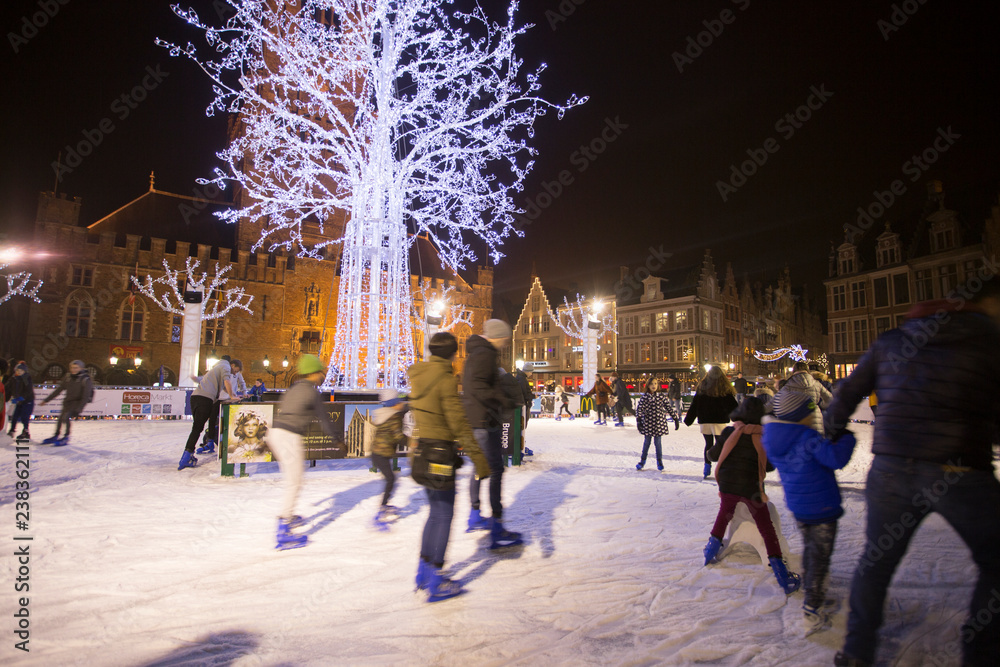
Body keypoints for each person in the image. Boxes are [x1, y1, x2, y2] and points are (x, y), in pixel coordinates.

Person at [824, 282, 1000, 667]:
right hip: (960, 469)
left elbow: (846, 392)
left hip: (892, 467)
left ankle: (856, 652)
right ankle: (980, 652)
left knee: (876, 561)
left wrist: (835, 430)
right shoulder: (987, 339)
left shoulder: (891, 340)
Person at [763, 388, 857, 636]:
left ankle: (813, 595)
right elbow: (835, 458)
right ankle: (812, 608)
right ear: (799, 415)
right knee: (820, 558)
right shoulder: (807, 437)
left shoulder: (774, 438)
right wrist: (846, 437)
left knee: (811, 551)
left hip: (800, 508)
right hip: (822, 507)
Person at [410, 332, 491, 602]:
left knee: (434, 513)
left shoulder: (418, 376)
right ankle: (436, 577)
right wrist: (480, 461)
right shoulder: (445, 381)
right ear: (453, 354)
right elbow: (459, 424)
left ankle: (422, 571)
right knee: (445, 514)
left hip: (423, 451)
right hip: (440, 455)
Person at [704, 397, 800, 595]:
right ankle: (781, 571)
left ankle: (709, 552)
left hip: (729, 485)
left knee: (724, 516)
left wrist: (712, 452)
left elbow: (713, 455)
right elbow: (770, 466)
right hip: (752, 488)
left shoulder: (730, 432)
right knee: (766, 525)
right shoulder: (763, 436)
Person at [266, 354, 339, 550]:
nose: (322, 376)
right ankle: (283, 530)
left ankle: (288, 516)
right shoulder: (312, 392)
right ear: (314, 373)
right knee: (294, 482)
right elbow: (324, 419)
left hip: (276, 433)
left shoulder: (294, 388)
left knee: (293, 479)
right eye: (321, 372)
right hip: (289, 436)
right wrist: (338, 440)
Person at [462, 319, 523, 548]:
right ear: (497, 337)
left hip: (477, 419)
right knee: (496, 470)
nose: (506, 343)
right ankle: (496, 527)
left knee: (481, 468)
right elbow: (479, 387)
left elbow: (477, 385)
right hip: (484, 421)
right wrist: (502, 399)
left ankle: (475, 514)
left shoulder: (477, 353)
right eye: (505, 339)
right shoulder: (485, 354)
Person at [179, 357, 241, 469]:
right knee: (198, 428)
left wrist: (234, 395)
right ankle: (186, 457)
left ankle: (187, 454)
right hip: (205, 399)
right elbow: (226, 381)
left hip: (195, 397)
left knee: (197, 428)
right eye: (235, 370)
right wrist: (232, 396)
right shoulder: (226, 367)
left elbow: (219, 385)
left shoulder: (216, 368)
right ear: (232, 365)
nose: (234, 373)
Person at [684, 365, 738, 478]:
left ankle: (707, 467)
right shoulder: (724, 389)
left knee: (708, 444)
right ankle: (722, 467)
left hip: (705, 420)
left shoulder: (702, 387)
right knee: (721, 444)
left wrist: (689, 419)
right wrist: (739, 418)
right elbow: (733, 406)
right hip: (719, 421)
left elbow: (695, 404)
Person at [371, 388, 408, 530]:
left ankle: (384, 505)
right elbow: (399, 436)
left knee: (391, 479)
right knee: (391, 479)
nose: (402, 403)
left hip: (378, 453)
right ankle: (382, 510)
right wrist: (413, 444)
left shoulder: (386, 414)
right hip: (381, 454)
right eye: (399, 401)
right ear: (394, 403)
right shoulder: (393, 417)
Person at [39, 360, 94, 446]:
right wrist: (47, 400)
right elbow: (59, 390)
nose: (74, 369)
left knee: (66, 417)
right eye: (72, 367)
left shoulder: (85, 379)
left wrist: (79, 409)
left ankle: (66, 436)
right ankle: (56, 435)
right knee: (60, 419)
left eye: (76, 368)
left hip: (77, 402)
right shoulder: (68, 377)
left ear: (81, 368)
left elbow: (85, 396)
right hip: (67, 402)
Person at [634, 378, 678, 471]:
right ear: (648, 386)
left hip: (659, 423)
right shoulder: (645, 397)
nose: (653, 386)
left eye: (655, 384)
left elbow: (668, 407)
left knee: (658, 443)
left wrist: (675, 418)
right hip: (648, 423)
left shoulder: (661, 396)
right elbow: (640, 409)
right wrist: (638, 420)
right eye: (651, 384)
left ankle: (659, 461)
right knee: (647, 443)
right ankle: (642, 461)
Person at [782, 361, 833, 433]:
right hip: (814, 416)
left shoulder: (788, 384)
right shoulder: (816, 383)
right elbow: (830, 399)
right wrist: (821, 405)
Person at [6, 362, 34, 442]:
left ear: (24, 371)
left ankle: (26, 432)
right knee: (15, 417)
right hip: (19, 401)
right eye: (18, 370)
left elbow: (28, 390)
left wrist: (21, 398)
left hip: (27, 401)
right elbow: (7, 388)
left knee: (24, 417)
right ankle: (12, 431)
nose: (19, 372)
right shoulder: (13, 378)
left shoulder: (26, 378)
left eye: (21, 370)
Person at [513, 364, 535, 455]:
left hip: (523, 405)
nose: (531, 373)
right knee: (521, 427)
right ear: (527, 371)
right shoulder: (522, 379)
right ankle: (520, 447)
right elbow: (524, 393)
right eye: (531, 371)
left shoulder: (521, 378)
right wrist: (533, 396)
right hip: (523, 406)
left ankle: (521, 446)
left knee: (521, 427)